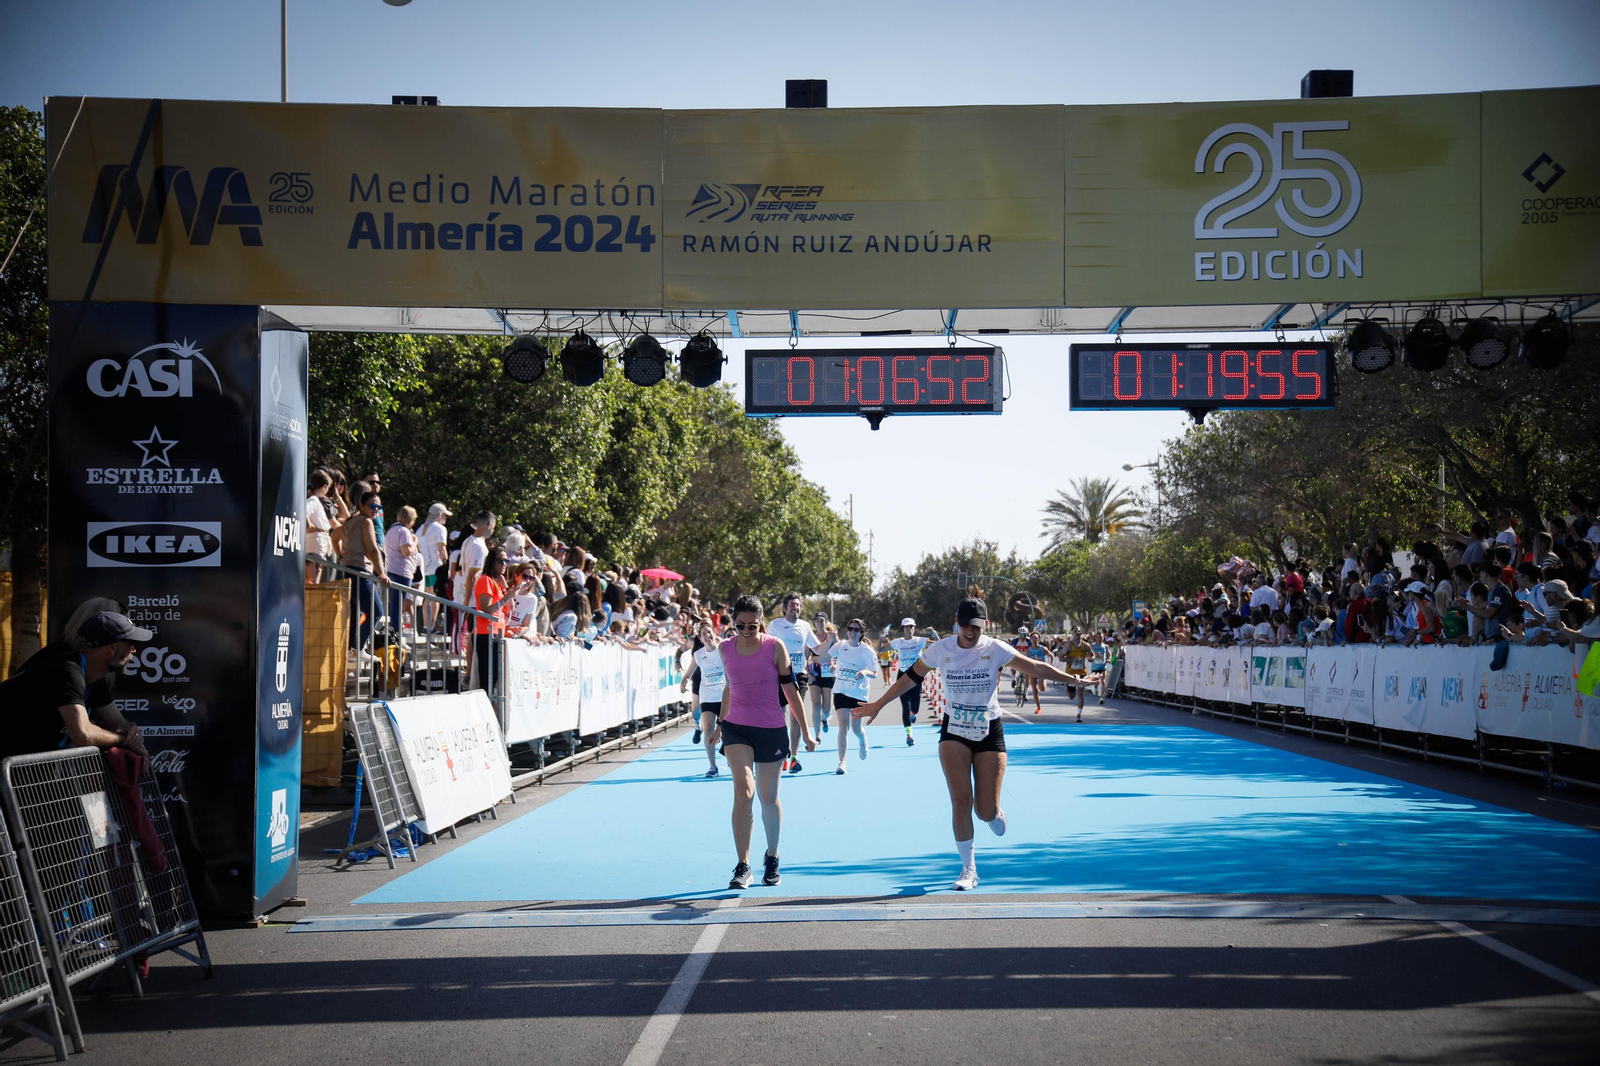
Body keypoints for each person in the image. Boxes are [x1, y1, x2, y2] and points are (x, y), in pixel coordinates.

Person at [854, 598, 1079, 891]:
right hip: (954, 731)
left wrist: (1077, 680)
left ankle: (995, 814)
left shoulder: (995, 648)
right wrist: (879, 704)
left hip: (988, 731)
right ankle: (968, 869)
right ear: (956, 622)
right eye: (964, 625)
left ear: (983, 625)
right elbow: (911, 677)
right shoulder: (941, 649)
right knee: (961, 801)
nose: (969, 632)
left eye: (975, 626)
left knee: (984, 811)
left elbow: (1036, 667)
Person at [709, 594, 816, 889]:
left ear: (761, 623)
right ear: (733, 623)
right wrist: (720, 724)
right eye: (739, 626)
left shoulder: (774, 647)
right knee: (744, 791)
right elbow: (730, 686)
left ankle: (772, 856)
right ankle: (743, 865)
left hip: (770, 728)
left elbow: (791, 691)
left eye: (751, 626)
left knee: (768, 798)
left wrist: (805, 731)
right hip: (737, 729)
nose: (745, 631)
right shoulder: (725, 649)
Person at [0, 609, 151, 761]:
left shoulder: (95, 677)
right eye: (131, 644)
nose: (134, 650)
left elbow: (117, 723)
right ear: (112, 648)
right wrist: (122, 740)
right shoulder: (68, 671)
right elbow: (83, 734)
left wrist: (132, 735)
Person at [765, 592, 819, 774]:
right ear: (784, 608)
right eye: (792, 605)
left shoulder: (805, 626)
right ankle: (783, 755)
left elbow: (817, 649)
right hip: (778, 675)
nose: (795, 608)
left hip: (799, 675)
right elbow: (765, 646)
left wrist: (832, 642)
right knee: (780, 716)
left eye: (798, 605)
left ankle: (794, 758)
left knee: (796, 716)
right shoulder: (775, 625)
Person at [340, 490, 388, 654]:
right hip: (360, 570)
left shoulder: (348, 521)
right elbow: (372, 550)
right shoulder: (366, 522)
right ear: (361, 505)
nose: (376, 509)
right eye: (373, 505)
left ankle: (351, 651)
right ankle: (357, 649)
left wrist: (342, 556)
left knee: (355, 614)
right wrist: (381, 573)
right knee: (376, 611)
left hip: (347, 570)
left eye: (379, 507)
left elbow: (333, 536)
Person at [827, 618, 877, 773]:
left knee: (856, 729)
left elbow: (874, 673)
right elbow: (824, 658)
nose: (852, 632)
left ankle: (862, 741)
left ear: (861, 633)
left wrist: (864, 673)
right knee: (843, 726)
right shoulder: (841, 646)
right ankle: (842, 762)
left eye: (856, 630)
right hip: (841, 690)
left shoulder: (867, 650)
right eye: (850, 629)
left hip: (858, 693)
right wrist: (832, 665)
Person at [680, 620, 727, 777]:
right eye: (703, 634)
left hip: (724, 696)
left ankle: (732, 755)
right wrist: (683, 681)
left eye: (709, 632)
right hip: (707, 696)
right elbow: (689, 672)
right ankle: (712, 766)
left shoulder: (723, 650)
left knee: (727, 730)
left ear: (714, 633)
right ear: (700, 638)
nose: (707, 636)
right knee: (707, 728)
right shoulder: (698, 655)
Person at [472, 547, 513, 693]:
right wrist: (506, 597)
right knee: (488, 678)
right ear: (492, 561)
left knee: (494, 678)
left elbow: (510, 608)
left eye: (506, 561)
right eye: (500, 560)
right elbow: (486, 608)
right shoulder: (485, 580)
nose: (504, 564)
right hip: (486, 633)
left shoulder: (498, 582)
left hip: (497, 633)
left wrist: (506, 588)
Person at [890, 617, 928, 746]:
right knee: (905, 705)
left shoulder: (919, 641)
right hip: (902, 674)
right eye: (906, 627)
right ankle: (909, 734)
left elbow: (937, 645)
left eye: (911, 626)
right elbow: (880, 649)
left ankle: (913, 713)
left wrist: (934, 635)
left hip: (916, 674)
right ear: (903, 629)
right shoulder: (898, 642)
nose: (909, 629)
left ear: (914, 628)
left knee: (915, 707)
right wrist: (881, 637)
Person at [385, 504, 421, 633]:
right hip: (402, 571)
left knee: (396, 603)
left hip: (392, 569)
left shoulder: (391, 530)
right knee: (398, 604)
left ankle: (395, 630)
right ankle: (396, 631)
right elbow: (406, 552)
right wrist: (415, 542)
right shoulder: (404, 531)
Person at [417, 502, 453, 634]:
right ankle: (431, 625)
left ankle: (427, 626)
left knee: (428, 596)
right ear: (439, 515)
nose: (445, 518)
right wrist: (447, 566)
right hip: (436, 567)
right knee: (435, 596)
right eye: (444, 515)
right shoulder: (439, 529)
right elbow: (441, 548)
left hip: (423, 568)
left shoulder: (420, 529)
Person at [304, 469, 335, 584]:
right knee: (313, 580)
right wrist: (310, 526)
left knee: (314, 579)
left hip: (317, 549)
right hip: (314, 550)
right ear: (324, 487)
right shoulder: (314, 500)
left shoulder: (315, 501)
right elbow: (304, 511)